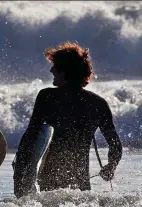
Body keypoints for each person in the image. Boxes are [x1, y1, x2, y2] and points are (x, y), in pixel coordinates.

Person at [14, 42, 122, 198]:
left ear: (64, 71)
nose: (51, 70)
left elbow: (31, 136)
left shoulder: (47, 97)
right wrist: (111, 167)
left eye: (55, 67)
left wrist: (20, 170)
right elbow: (116, 145)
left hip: (49, 183)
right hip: (81, 186)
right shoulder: (98, 103)